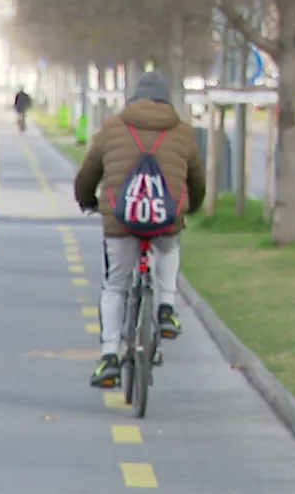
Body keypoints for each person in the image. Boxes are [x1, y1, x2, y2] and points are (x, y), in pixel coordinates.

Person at [73, 71, 206, 389]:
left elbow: (89, 171)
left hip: (121, 220)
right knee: (169, 248)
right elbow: (196, 178)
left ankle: (108, 357)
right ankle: (166, 307)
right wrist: (192, 206)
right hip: (165, 217)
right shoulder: (183, 132)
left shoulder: (113, 127)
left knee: (115, 284)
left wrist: (87, 200)